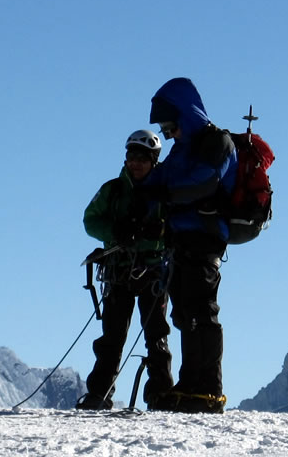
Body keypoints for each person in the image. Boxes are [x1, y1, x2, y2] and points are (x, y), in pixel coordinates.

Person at [139, 78, 236, 413]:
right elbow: (162, 179)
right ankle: (190, 383)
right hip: (180, 241)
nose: (169, 134)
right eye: (164, 130)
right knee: (184, 313)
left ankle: (209, 388)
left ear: (186, 115)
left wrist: (165, 195)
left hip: (206, 241)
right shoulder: (183, 150)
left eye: (170, 126)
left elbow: (205, 181)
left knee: (202, 312)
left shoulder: (217, 142)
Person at [76, 130, 174, 410]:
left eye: (142, 158)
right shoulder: (113, 190)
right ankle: (100, 392)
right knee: (112, 336)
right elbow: (90, 220)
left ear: (153, 160)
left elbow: (177, 228)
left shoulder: (165, 193)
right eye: (132, 156)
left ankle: (160, 393)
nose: (136, 163)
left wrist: (163, 231)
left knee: (156, 334)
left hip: (153, 270)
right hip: (120, 271)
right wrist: (116, 230)